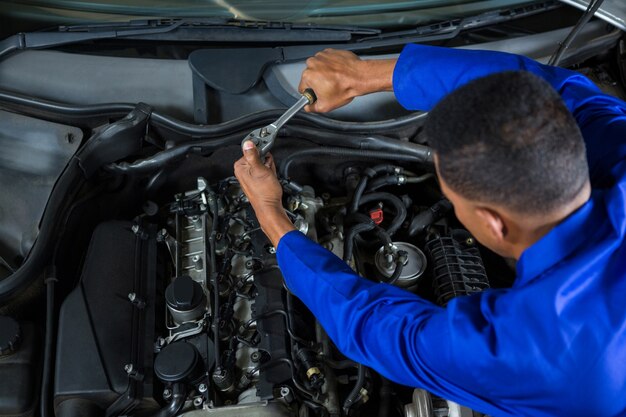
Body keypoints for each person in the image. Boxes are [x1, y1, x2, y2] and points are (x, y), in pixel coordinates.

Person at [233, 45, 626, 417]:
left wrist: (271, 216)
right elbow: (548, 91)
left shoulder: (533, 349)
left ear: (493, 222)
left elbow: (377, 328)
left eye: (454, 201)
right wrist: (359, 76)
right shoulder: (615, 142)